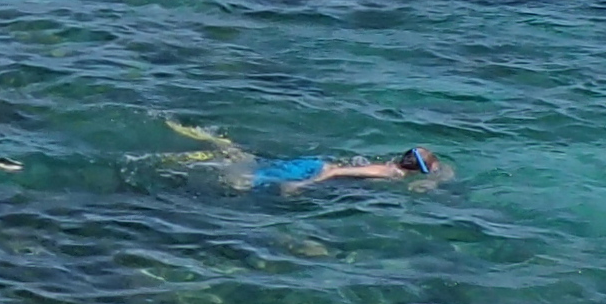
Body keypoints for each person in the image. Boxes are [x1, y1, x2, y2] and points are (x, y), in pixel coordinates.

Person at [155, 123, 445, 191]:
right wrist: (301, 186)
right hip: (312, 171)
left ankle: (211, 141)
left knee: (248, 162)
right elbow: (336, 173)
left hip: (312, 163)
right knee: (241, 180)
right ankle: (180, 161)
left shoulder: (391, 164)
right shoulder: (388, 173)